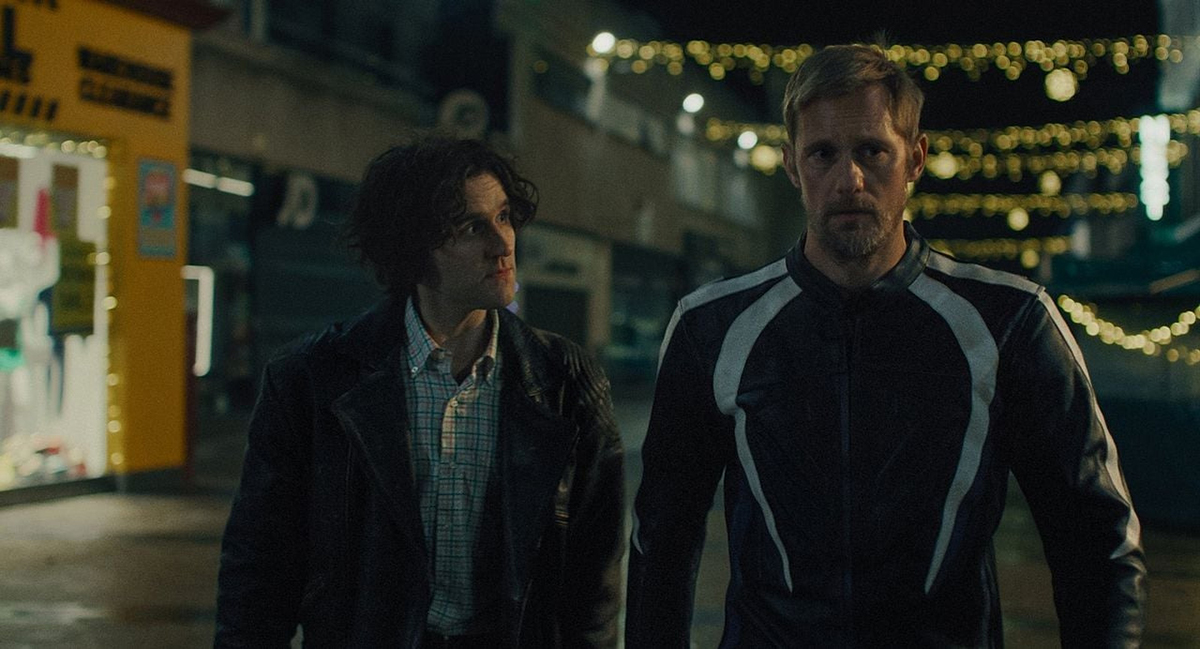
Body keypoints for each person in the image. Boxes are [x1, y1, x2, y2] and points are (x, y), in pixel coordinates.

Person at [625, 43, 1146, 647]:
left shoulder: (1010, 322)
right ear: (792, 166)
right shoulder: (712, 328)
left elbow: (1094, 539)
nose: (849, 179)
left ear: (914, 159)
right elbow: (662, 540)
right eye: (823, 153)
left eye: (872, 151)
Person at [215, 137, 624, 648]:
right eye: (472, 227)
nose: (503, 245)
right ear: (412, 249)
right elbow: (260, 568)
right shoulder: (313, 378)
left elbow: (593, 580)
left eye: (503, 217)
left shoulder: (564, 380)